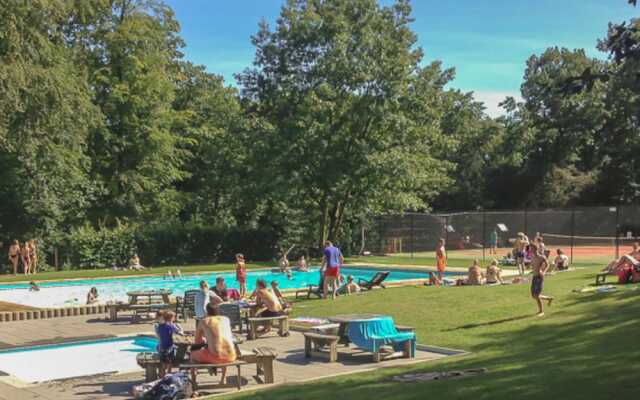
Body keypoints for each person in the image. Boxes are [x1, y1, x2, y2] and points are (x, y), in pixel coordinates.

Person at [190, 303, 237, 385]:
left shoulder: (204, 321)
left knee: (192, 355)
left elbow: (197, 340)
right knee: (222, 350)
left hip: (216, 357)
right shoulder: (226, 319)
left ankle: (194, 381)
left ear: (206, 311)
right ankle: (223, 379)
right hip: (232, 355)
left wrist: (205, 339)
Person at [155, 311, 182, 377]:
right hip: (168, 347)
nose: (160, 320)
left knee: (164, 361)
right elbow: (178, 331)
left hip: (162, 347)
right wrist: (179, 328)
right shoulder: (168, 325)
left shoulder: (159, 326)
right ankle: (167, 373)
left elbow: (159, 336)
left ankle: (163, 374)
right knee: (170, 360)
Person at [530, 243, 553, 317]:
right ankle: (549, 298)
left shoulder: (541, 257)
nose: (531, 250)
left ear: (535, 249)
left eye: (532, 248)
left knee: (536, 295)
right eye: (530, 248)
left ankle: (541, 311)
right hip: (534, 276)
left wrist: (544, 272)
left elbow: (547, 264)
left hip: (539, 277)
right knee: (533, 295)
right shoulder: (532, 257)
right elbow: (533, 266)